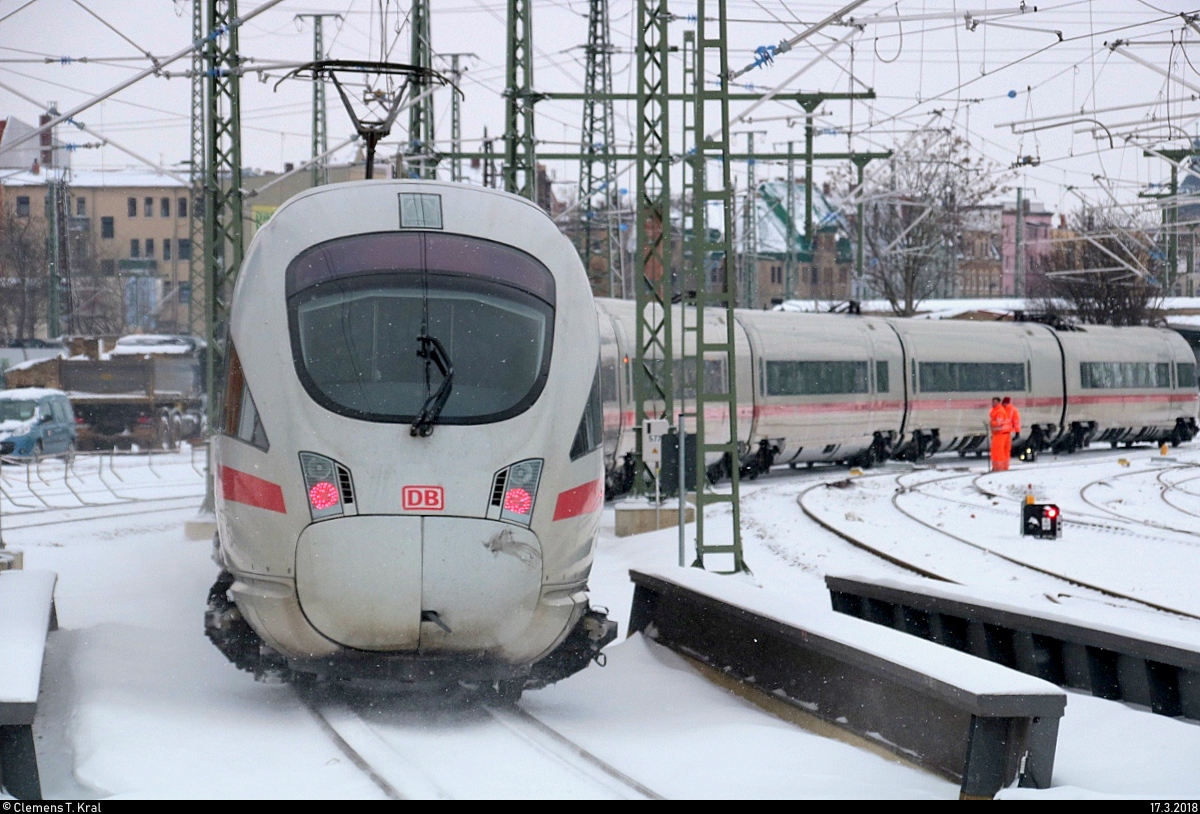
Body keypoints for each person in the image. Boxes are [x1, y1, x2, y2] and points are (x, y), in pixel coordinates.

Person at [989, 396, 1012, 472]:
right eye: (992, 402)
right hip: (999, 434)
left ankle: (1000, 467)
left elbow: (999, 423)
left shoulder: (999, 411)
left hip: (1000, 434)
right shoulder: (996, 410)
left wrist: (991, 423)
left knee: (998, 451)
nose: (993, 403)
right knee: (998, 451)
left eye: (995, 402)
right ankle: (1001, 467)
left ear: (999, 402)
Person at [1003, 395, 1023, 460]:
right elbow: (1016, 421)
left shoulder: (1010, 409)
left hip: (1005, 431)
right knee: (1004, 446)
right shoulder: (1012, 409)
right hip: (1004, 431)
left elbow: (1016, 421)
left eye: (1006, 403)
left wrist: (1017, 432)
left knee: (1005, 446)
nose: (1005, 404)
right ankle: (1005, 459)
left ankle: (1005, 459)